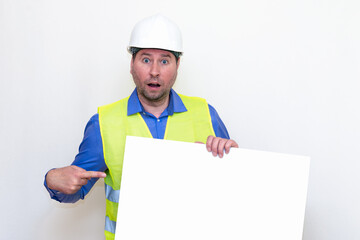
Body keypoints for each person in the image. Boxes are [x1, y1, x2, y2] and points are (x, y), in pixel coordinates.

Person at [44, 14, 238, 240]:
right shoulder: (103, 123)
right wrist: (53, 181)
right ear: (132, 65)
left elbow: (233, 195)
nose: (154, 71)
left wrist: (234, 160)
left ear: (177, 67)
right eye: (146, 60)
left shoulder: (206, 115)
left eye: (165, 61)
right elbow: (75, 187)